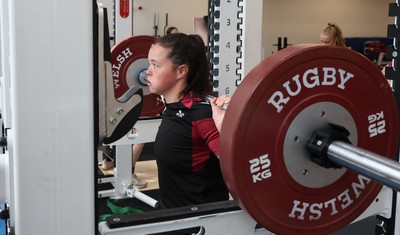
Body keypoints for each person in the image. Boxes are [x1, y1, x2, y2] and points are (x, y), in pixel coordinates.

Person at [145, 33, 229, 209]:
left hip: (198, 223)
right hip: (172, 217)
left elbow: (240, 171)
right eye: (148, 63)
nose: (148, 71)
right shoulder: (172, 107)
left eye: (155, 65)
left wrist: (225, 129)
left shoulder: (201, 115)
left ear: (181, 71)